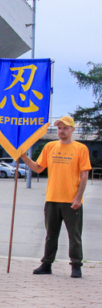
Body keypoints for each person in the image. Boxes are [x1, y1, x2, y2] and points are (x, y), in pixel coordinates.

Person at [19, 116, 91, 278]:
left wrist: (78, 197)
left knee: (74, 235)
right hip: (52, 199)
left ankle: (76, 265)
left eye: (65, 128)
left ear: (72, 129)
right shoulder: (50, 147)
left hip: (72, 201)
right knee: (51, 234)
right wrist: (24, 157)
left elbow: (84, 174)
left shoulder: (80, 149)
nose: (62, 131)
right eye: (59, 128)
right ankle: (47, 264)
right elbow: (38, 168)